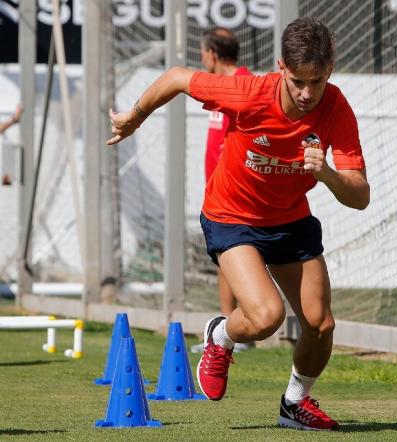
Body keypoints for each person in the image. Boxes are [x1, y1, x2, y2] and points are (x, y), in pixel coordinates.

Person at [107, 17, 370, 431]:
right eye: (297, 80)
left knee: (320, 324)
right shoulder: (249, 92)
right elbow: (176, 77)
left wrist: (328, 175)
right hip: (231, 216)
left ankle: (294, 404)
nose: (305, 93)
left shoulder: (337, 108)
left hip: (290, 219)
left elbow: (360, 196)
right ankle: (221, 337)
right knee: (266, 317)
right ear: (282, 67)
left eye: (315, 82)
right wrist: (135, 117)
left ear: (330, 70)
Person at [192, 27, 253, 354]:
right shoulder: (220, 86)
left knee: (233, 257)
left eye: (203, 53)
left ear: (213, 54)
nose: (201, 59)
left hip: (235, 193)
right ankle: (230, 327)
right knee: (224, 260)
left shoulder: (241, 85)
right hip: (217, 192)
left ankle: (237, 330)